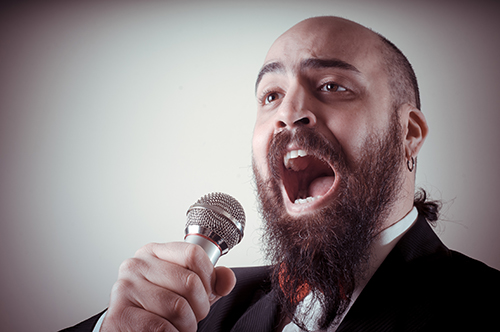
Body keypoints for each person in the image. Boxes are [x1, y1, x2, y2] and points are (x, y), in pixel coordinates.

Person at [62, 16, 500, 332]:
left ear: (408, 133)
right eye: (271, 95)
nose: (288, 113)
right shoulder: (200, 309)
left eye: (332, 86)